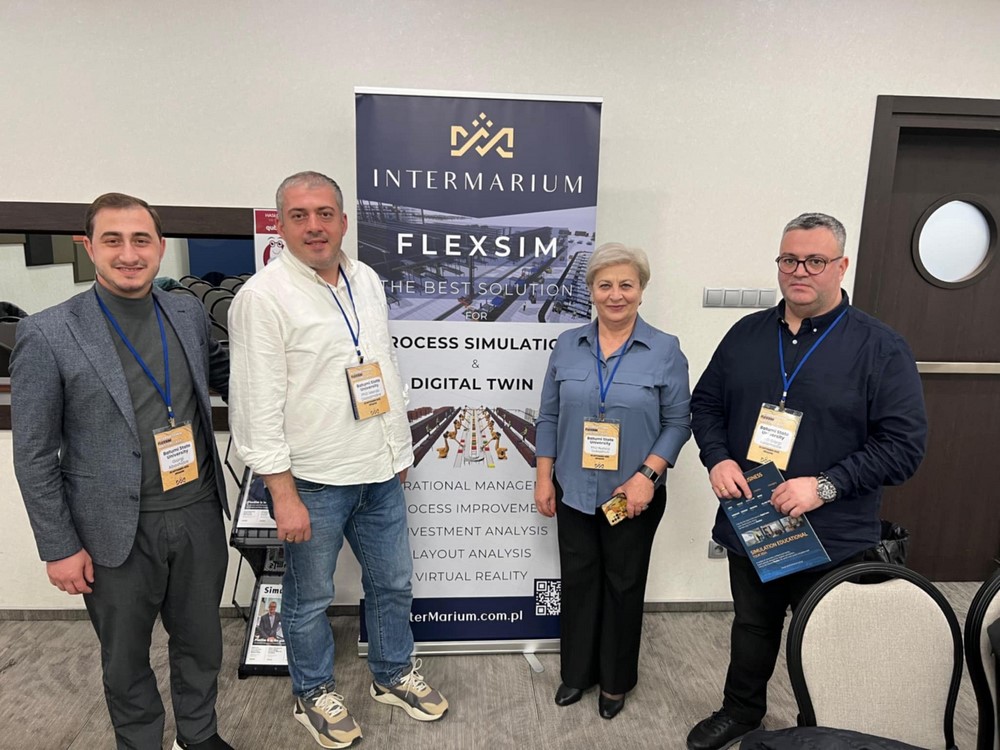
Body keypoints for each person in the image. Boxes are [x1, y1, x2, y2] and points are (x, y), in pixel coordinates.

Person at [686, 213, 927, 750]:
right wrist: (717, 459)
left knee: (822, 642)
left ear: (841, 266)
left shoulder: (880, 348)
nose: (800, 271)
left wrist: (825, 485)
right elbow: (705, 404)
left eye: (815, 261)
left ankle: (820, 730)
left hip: (832, 533)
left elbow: (903, 448)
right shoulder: (746, 335)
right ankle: (741, 711)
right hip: (754, 518)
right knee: (752, 626)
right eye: (789, 259)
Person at [228, 171, 448, 749]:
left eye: (325, 213)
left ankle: (392, 674)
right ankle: (313, 692)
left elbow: (382, 366)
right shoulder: (262, 297)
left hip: (379, 471)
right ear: (280, 225)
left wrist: (397, 447)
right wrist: (282, 494)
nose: (314, 226)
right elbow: (255, 405)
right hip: (314, 480)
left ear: (343, 221)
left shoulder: (365, 278)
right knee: (310, 600)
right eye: (299, 215)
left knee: (393, 583)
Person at [11, 193, 234, 750]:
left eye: (141, 240)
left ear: (160, 247)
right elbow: (33, 454)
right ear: (87, 247)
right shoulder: (48, 332)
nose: (129, 254)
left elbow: (228, 373)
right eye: (113, 240)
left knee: (202, 642)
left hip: (197, 513)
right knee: (126, 657)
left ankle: (199, 735)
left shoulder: (186, 312)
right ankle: (140, 743)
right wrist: (59, 546)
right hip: (112, 531)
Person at [534, 242, 692, 720]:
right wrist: (544, 477)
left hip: (633, 495)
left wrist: (648, 476)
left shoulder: (664, 349)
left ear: (641, 290)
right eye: (605, 285)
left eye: (626, 284)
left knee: (623, 585)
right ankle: (577, 674)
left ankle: (616, 682)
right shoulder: (568, 345)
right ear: (591, 291)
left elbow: (678, 422)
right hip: (574, 490)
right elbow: (548, 416)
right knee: (579, 581)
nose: (616, 295)